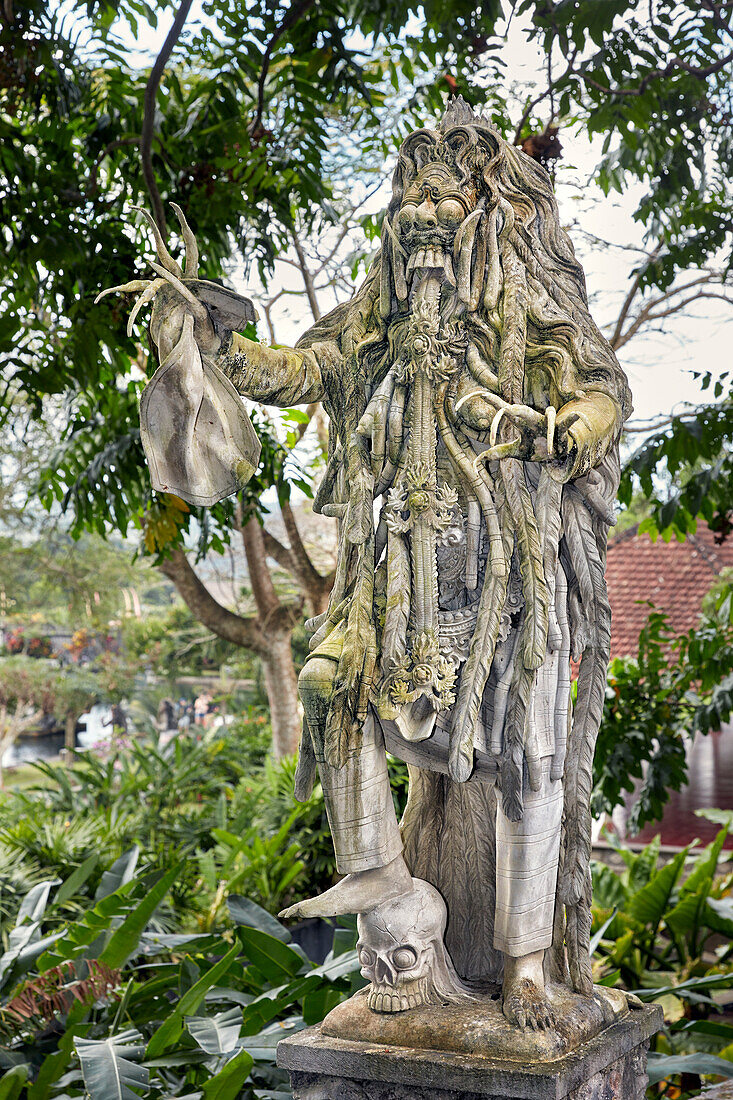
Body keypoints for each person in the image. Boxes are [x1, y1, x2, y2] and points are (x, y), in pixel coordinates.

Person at [130, 99, 630, 1029]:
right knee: (329, 685)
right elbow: (300, 371)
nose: (428, 228)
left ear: (493, 217)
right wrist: (219, 345)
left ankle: (523, 963)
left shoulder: (533, 316)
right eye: (414, 210)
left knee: (529, 764)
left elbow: (601, 391)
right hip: (390, 585)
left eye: (449, 210)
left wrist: (561, 428)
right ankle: (386, 886)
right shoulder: (374, 321)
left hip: (505, 586)